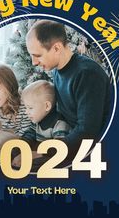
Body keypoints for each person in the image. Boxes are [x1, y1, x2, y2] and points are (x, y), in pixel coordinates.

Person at [26, 20, 111, 161]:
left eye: (38, 55)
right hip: (69, 141)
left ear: (57, 48)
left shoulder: (87, 74)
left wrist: (44, 152)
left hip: (94, 151)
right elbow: (58, 115)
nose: (34, 62)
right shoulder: (57, 71)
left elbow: (87, 133)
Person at [12, 80, 71, 167]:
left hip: (50, 154)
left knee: (43, 162)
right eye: (25, 107)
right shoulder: (37, 120)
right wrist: (21, 147)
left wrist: (38, 153)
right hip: (38, 150)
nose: (26, 112)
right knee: (14, 149)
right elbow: (29, 135)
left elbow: (59, 148)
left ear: (47, 106)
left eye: (30, 108)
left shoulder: (59, 124)